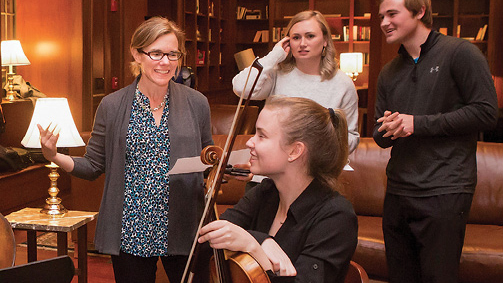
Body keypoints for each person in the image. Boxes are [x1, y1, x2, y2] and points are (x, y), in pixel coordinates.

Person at [38, 17, 212, 283]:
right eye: (156, 53)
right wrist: (54, 156)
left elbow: (207, 158)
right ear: (136, 54)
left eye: (172, 54)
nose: (165, 62)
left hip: (184, 224)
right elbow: (93, 165)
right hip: (131, 230)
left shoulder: (197, 103)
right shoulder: (112, 105)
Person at [374, 0, 498, 282]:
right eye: (382, 16)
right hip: (397, 192)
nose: (384, 22)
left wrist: (417, 123)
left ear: (419, 12)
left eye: (392, 14)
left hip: (445, 190)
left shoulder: (460, 53)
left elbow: (486, 112)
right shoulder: (389, 71)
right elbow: (379, 137)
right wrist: (389, 128)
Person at [198, 96, 358, 282]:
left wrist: (254, 247)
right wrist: (262, 240)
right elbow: (204, 238)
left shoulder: (336, 217)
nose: (250, 142)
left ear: (295, 151)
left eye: (261, 135)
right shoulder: (267, 192)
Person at [233, 10, 360, 153]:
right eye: (296, 38)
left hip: (316, 167)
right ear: (287, 42)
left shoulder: (343, 83)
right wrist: (273, 56)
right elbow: (240, 88)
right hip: (272, 163)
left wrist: (322, 150)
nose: (302, 43)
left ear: (325, 40)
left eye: (310, 36)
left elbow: (351, 137)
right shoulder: (276, 73)